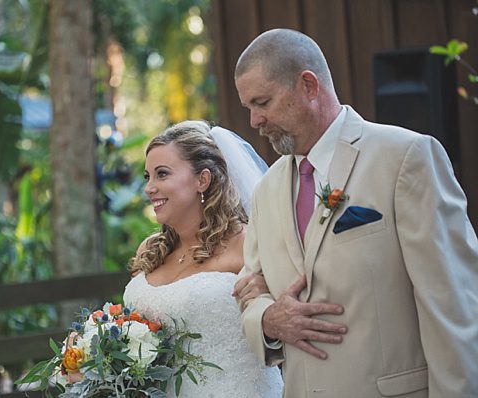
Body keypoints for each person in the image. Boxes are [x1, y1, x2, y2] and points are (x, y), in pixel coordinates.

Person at [231, 28, 478, 396]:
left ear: (309, 86)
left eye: (262, 102)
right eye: (248, 107)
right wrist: (268, 319)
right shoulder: (266, 190)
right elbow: (250, 290)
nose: (254, 121)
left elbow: (452, 306)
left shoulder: (405, 158)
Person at [122, 120, 282, 397]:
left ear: (202, 180)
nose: (149, 188)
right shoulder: (149, 250)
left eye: (162, 174)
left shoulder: (247, 242)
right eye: (147, 176)